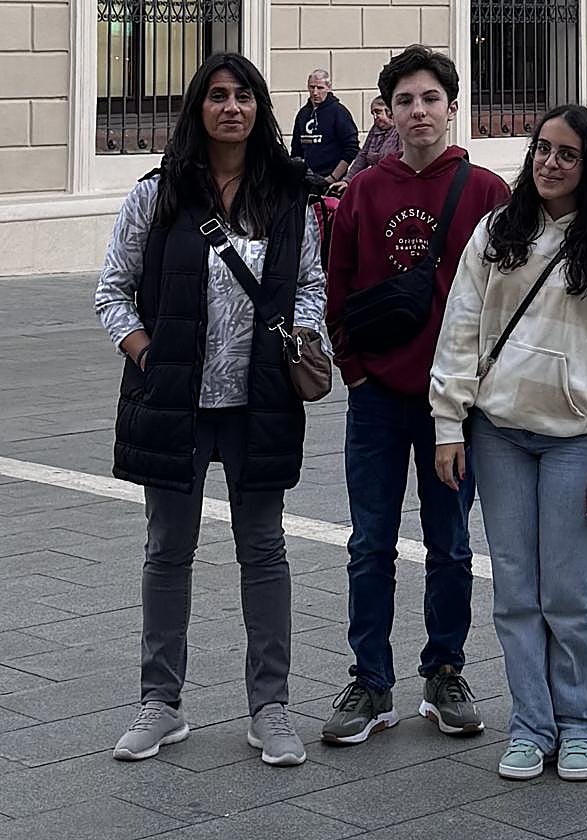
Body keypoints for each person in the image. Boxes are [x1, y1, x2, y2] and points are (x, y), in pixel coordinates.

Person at [96, 52, 328, 768]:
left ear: (260, 108)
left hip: (260, 402)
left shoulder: (287, 196)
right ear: (199, 106)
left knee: (263, 551)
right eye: (218, 95)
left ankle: (270, 707)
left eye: (244, 96)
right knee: (168, 551)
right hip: (177, 405)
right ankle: (160, 704)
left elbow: (312, 284)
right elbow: (113, 289)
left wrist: (302, 337)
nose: (232, 107)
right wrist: (147, 355)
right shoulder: (158, 193)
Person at [430, 104, 587, 782]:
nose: (550, 164)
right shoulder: (495, 232)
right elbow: (460, 330)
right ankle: (531, 726)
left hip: (574, 442)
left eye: (567, 154)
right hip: (497, 434)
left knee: (568, 593)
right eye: (543, 149)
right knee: (514, 592)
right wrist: (448, 424)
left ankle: (582, 724)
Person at [321, 45, 510, 746]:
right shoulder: (364, 191)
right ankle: (370, 680)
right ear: (389, 112)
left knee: (451, 544)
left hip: (453, 404)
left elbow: (510, 294)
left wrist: (481, 382)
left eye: (431, 98)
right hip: (377, 397)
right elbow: (336, 284)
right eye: (405, 101)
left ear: (451, 108)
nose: (419, 111)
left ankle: (445, 671)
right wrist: (354, 370)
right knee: (369, 542)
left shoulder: (487, 192)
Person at [290, 69, 360, 183]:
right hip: (306, 180)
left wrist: (332, 178)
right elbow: (296, 150)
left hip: (330, 180)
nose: (315, 92)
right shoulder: (303, 113)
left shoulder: (339, 112)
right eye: (312, 87)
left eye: (320, 88)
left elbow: (351, 149)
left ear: (328, 88)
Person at [327, 96, 401, 197]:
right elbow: (362, 156)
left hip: (394, 186)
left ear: (390, 112)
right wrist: (347, 180)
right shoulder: (375, 129)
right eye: (373, 114)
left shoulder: (400, 131)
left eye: (378, 112)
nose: (375, 117)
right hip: (375, 185)